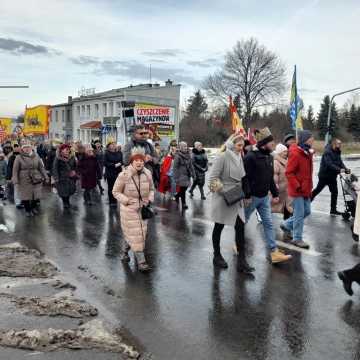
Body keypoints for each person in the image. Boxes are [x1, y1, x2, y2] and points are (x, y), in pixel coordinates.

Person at [244, 127, 292, 264]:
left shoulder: (269, 156)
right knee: (243, 221)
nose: (274, 145)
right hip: (252, 197)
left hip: (264, 197)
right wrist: (247, 195)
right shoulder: (250, 157)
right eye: (271, 143)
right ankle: (238, 243)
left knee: (268, 224)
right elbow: (245, 178)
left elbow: (269, 177)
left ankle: (273, 252)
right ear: (264, 143)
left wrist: (275, 193)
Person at [209, 134, 253, 273]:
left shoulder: (240, 156)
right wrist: (225, 193)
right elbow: (212, 179)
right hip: (223, 197)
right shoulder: (223, 156)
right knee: (219, 226)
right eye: (239, 145)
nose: (241, 148)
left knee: (240, 228)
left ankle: (242, 261)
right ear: (232, 144)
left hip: (236, 197)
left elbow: (243, 177)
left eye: (242, 145)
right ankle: (217, 255)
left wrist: (246, 194)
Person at [112, 147, 155, 272]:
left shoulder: (147, 173)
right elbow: (115, 192)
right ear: (132, 161)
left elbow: (152, 189)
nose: (139, 162)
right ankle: (142, 263)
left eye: (141, 160)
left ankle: (124, 252)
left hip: (143, 209)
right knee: (137, 235)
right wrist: (126, 200)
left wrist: (150, 199)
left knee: (139, 235)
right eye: (136, 160)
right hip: (129, 210)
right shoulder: (124, 175)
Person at [281, 130, 314, 249]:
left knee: (307, 211)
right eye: (311, 138)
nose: (313, 140)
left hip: (305, 189)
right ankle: (297, 239)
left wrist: (309, 185)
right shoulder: (295, 153)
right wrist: (297, 185)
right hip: (297, 190)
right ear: (305, 139)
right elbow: (289, 172)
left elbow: (307, 173)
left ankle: (286, 224)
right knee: (299, 214)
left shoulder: (308, 152)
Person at [311, 138, 348, 215]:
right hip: (324, 176)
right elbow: (329, 164)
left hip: (332, 176)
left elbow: (340, 162)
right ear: (334, 144)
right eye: (339, 143)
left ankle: (333, 210)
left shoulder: (337, 151)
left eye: (340, 143)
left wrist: (345, 169)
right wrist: (339, 170)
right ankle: (306, 203)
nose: (340, 145)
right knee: (317, 190)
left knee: (335, 192)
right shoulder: (327, 152)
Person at [12, 142, 48, 216]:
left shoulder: (36, 156)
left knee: (36, 195)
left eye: (28, 147)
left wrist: (46, 176)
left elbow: (41, 168)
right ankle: (28, 210)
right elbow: (15, 170)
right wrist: (15, 180)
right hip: (24, 179)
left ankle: (33, 207)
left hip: (36, 178)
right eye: (25, 147)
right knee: (26, 195)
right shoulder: (18, 157)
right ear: (22, 149)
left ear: (31, 148)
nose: (27, 149)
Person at [52, 144, 77, 209]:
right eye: (66, 149)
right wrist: (56, 177)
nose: (67, 151)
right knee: (63, 191)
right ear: (62, 150)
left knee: (69, 190)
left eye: (68, 150)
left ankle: (67, 201)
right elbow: (55, 168)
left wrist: (74, 171)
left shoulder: (72, 157)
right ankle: (65, 203)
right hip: (61, 177)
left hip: (70, 177)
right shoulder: (58, 158)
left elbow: (75, 166)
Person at [272, 143, 292, 220]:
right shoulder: (276, 162)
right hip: (278, 190)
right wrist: (276, 185)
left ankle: (286, 224)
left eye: (286, 151)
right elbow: (275, 175)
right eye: (284, 152)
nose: (286, 153)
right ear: (279, 152)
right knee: (271, 207)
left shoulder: (286, 161)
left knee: (287, 207)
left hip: (286, 190)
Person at [173, 141, 196, 210]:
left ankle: (177, 196)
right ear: (180, 147)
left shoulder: (189, 155)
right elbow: (175, 167)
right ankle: (183, 203)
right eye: (184, 146)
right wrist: (176, 178)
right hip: (181, 175)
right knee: (183, 189)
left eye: (186, 146)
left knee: (185, 188)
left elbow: (191, 166)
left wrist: (193, 174)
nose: (186, 147)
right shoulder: (177, 156)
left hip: (187, 175)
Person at [104, 140, 123, 207]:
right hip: (110, 172)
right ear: (108, 146)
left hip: (118, 172)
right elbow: (105, 163)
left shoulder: (119, 152)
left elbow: (122, 160)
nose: (113, 145)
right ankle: (112, 201)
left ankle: (116, 199)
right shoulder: (106, 153)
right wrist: (113, 165)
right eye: (111, 144)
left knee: (118, 187)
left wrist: (120, 163)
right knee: (111, 187)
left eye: (114, 144)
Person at [6, 143, 22, 208]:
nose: (17, 148)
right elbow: (9, 167)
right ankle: (18, 203)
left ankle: (21, 201)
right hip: (15, 175)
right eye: (15, 147)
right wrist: (9, 177)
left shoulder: (22, 156)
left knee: (21, 189)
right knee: (16, 189)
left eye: (18, 147)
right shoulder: (11, 157)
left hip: (22, 175)